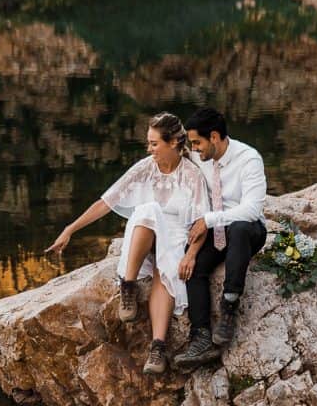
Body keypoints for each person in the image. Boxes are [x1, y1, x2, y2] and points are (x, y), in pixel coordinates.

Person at [46, 112, 210, 375]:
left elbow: (202, 221)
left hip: (176, 235)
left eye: (154, 143)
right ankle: (128, 285)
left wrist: (190, 255)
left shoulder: (192, 175)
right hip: (144, 235)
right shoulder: (145, 167)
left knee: (166, 269)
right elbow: (106, 201)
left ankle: (157, 347)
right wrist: (70, 229)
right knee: (146, 211)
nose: (149, 149)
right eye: (149, 143)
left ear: (173, 143)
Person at [173, 107, 267, 370]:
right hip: (216, 231)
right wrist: (191, 251)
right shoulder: (201, 158)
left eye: (197, 143)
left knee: (238, 227)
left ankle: (229, 304)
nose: (195, 149)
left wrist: (209, 220)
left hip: (249, 231)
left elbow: (251, 210)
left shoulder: (249, 159)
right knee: (193, 267)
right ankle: (200, 336)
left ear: (214, 137)